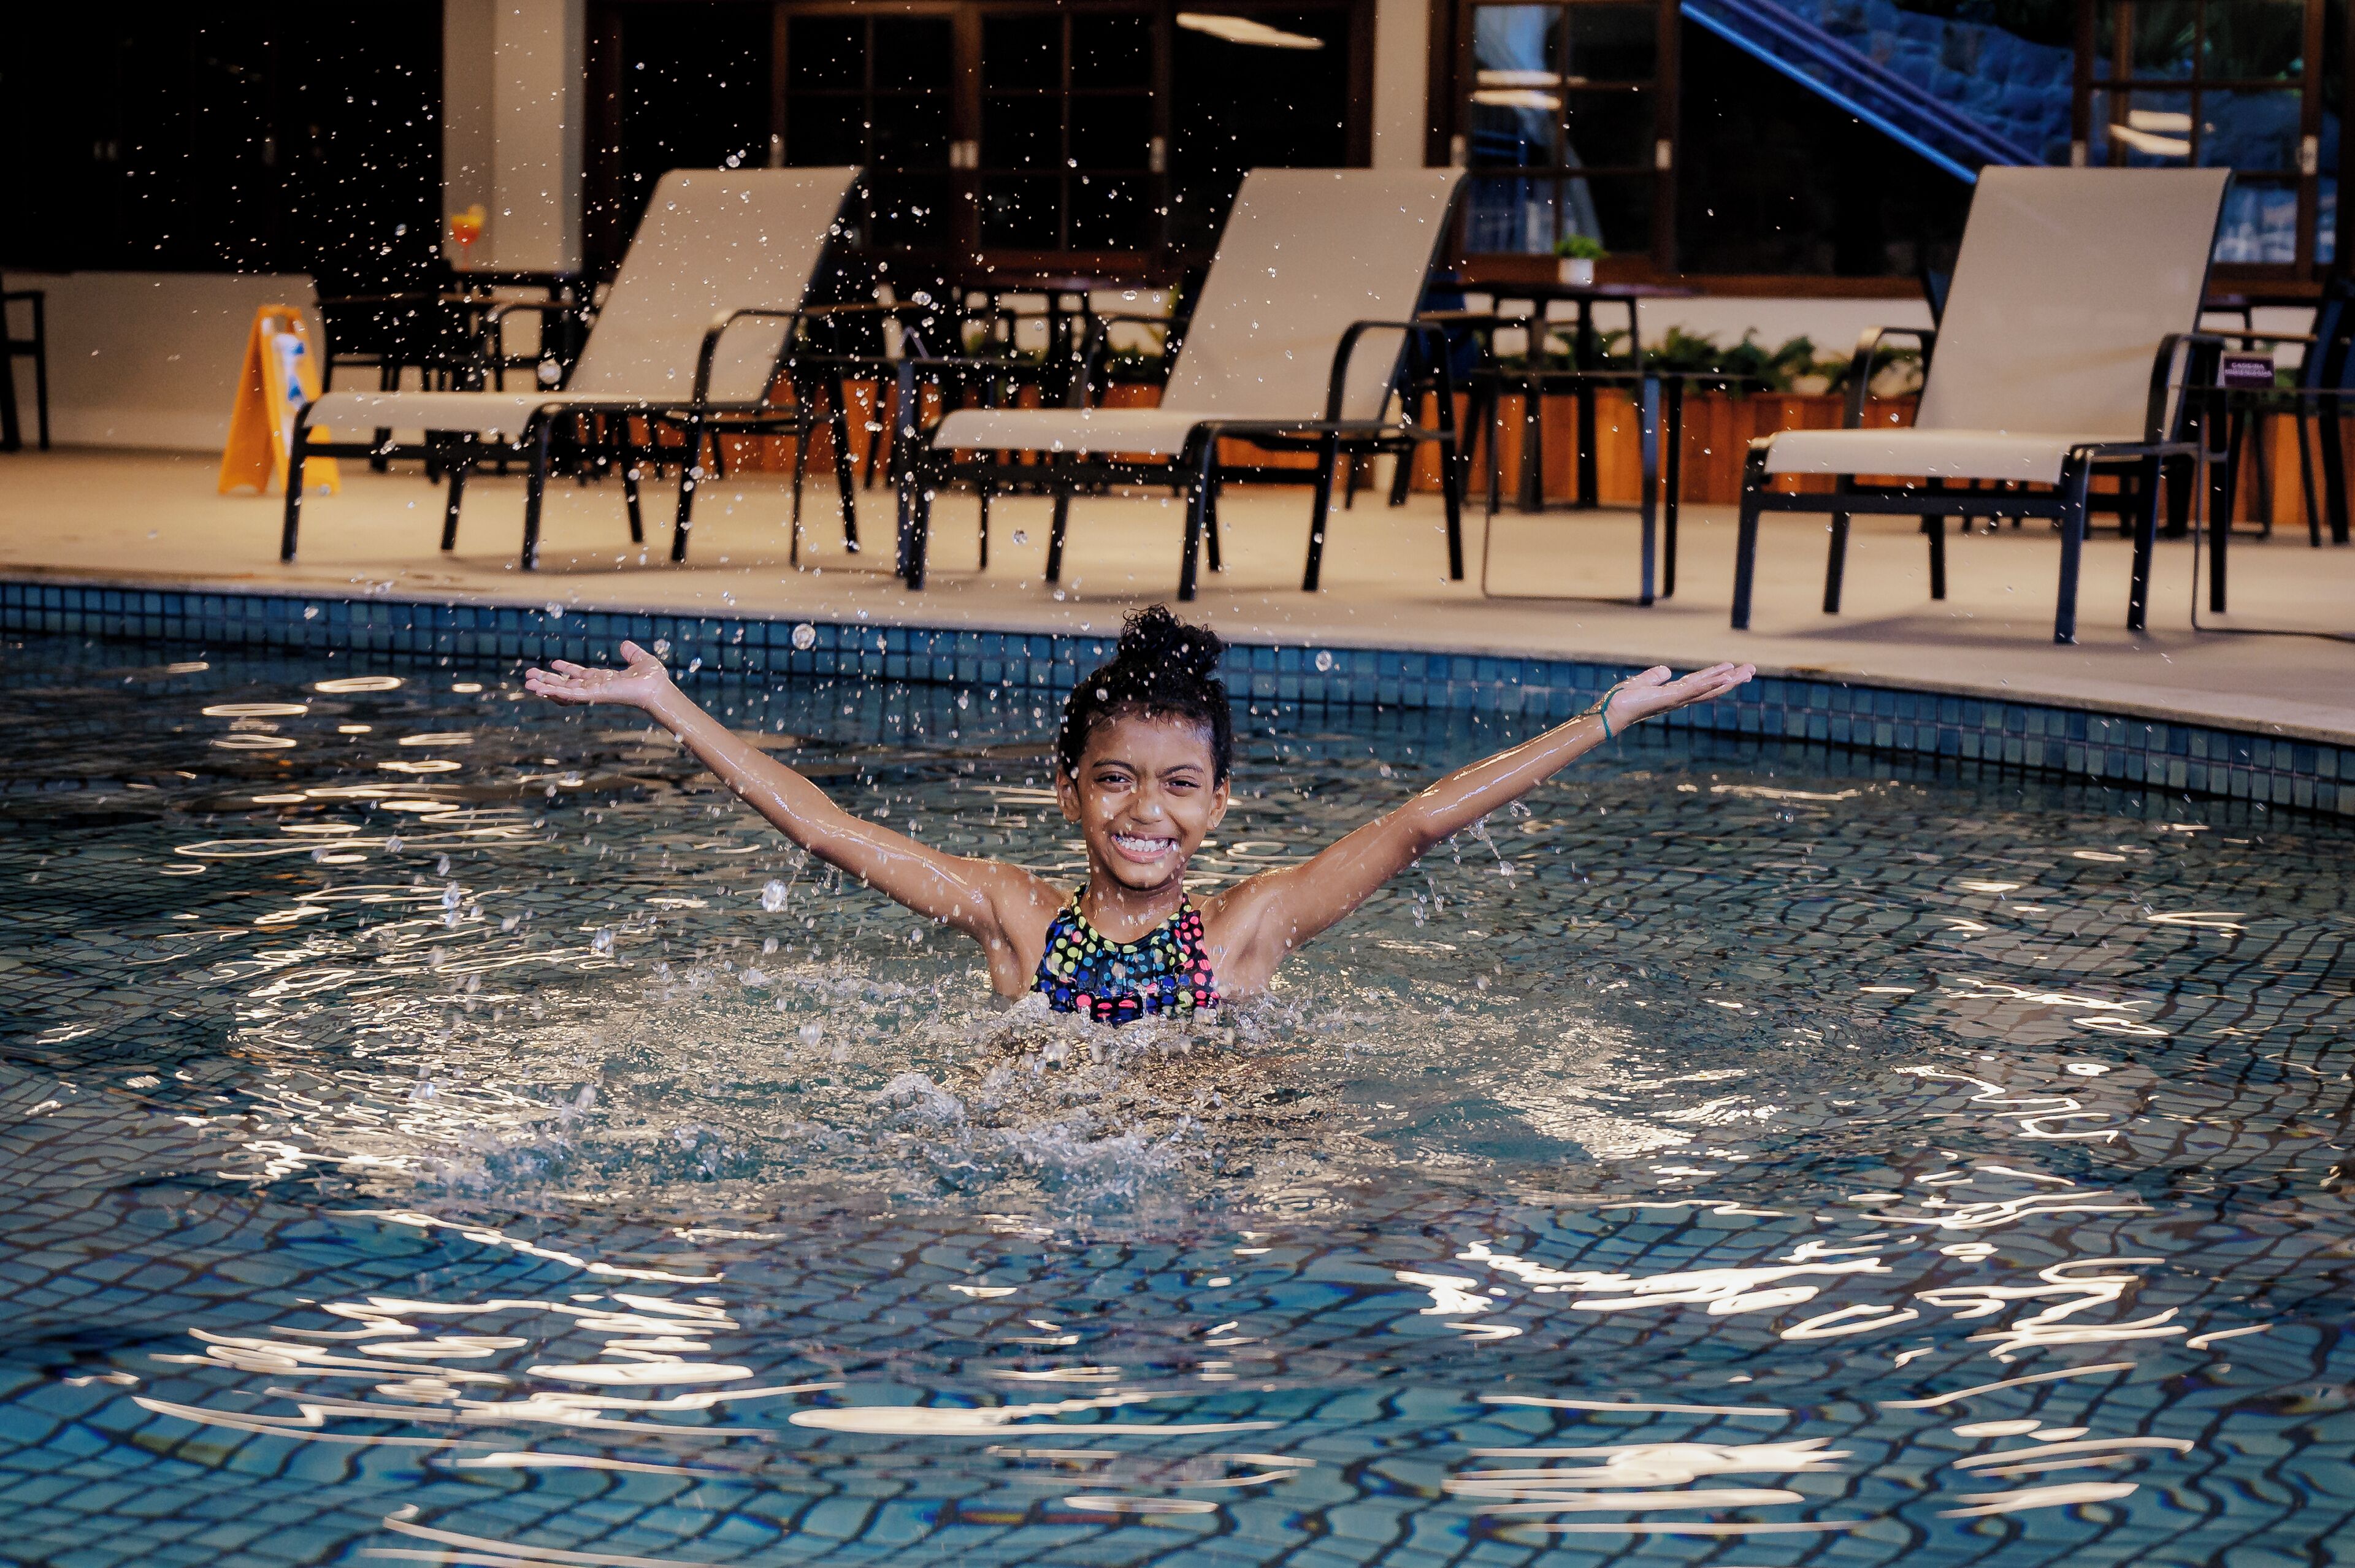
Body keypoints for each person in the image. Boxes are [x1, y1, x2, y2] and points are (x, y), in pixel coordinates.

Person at [524, 608, 1752, 1024]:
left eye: (1177, 784)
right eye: (1114, 779)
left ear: (1219, 804)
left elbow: (1418, 823)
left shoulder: (1245, 931)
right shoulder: (1017, 916)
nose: (1144, 810)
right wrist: (669, 703)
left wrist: (1602, 720)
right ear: (1068, 789)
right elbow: (827, 831)